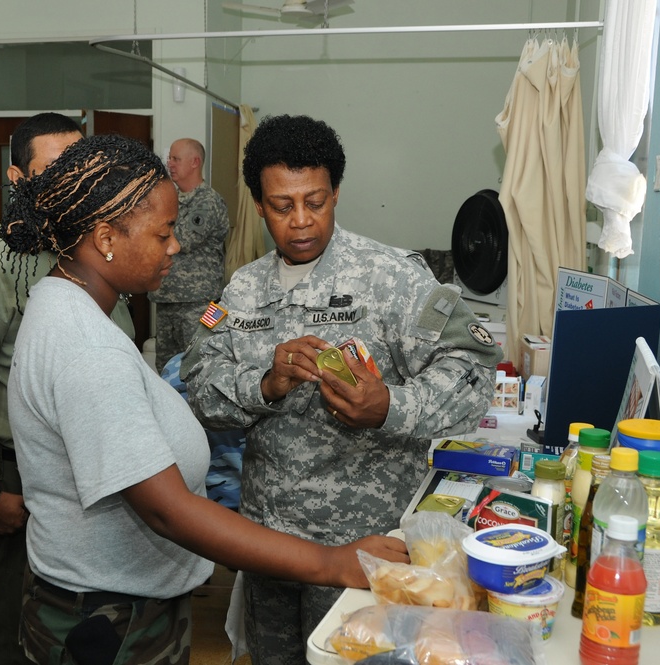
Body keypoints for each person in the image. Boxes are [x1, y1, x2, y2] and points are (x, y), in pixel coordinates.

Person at [0, 134, 408, 665]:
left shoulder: (65, 308)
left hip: (114, 599)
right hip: (108, 618)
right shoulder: (86, 345)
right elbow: (170, 512)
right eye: (164, 232)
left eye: (315, 201)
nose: (175, 246)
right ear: (105, 238)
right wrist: (333, 563)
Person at [182, 114, 504, 665]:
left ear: (337, 194)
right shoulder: (238, 293)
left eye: (317, 201)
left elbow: (474, 370)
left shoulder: (394, 278)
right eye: (283, 206)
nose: (302, 221)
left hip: (367, 552)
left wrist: (390, 407)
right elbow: (195, 384)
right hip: (271, 550)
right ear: (258, 205)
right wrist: (265, 383)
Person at [0, 113, 134, 665]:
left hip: (98, 475)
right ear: (19, 179)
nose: (75, 180)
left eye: (83, 166)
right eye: (56, 169)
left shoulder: (101, 248)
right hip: (23, 478)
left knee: (90, 630)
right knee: (17, 630)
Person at [147, 138, 230, 373]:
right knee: (165, 370)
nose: (170, 164)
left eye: (176, 159)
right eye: (169, 158)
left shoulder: (208, 201)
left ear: (195, 162)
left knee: (198, 368)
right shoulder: (169, 198)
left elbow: (180, 240)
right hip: (166, 299)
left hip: (198, 303)